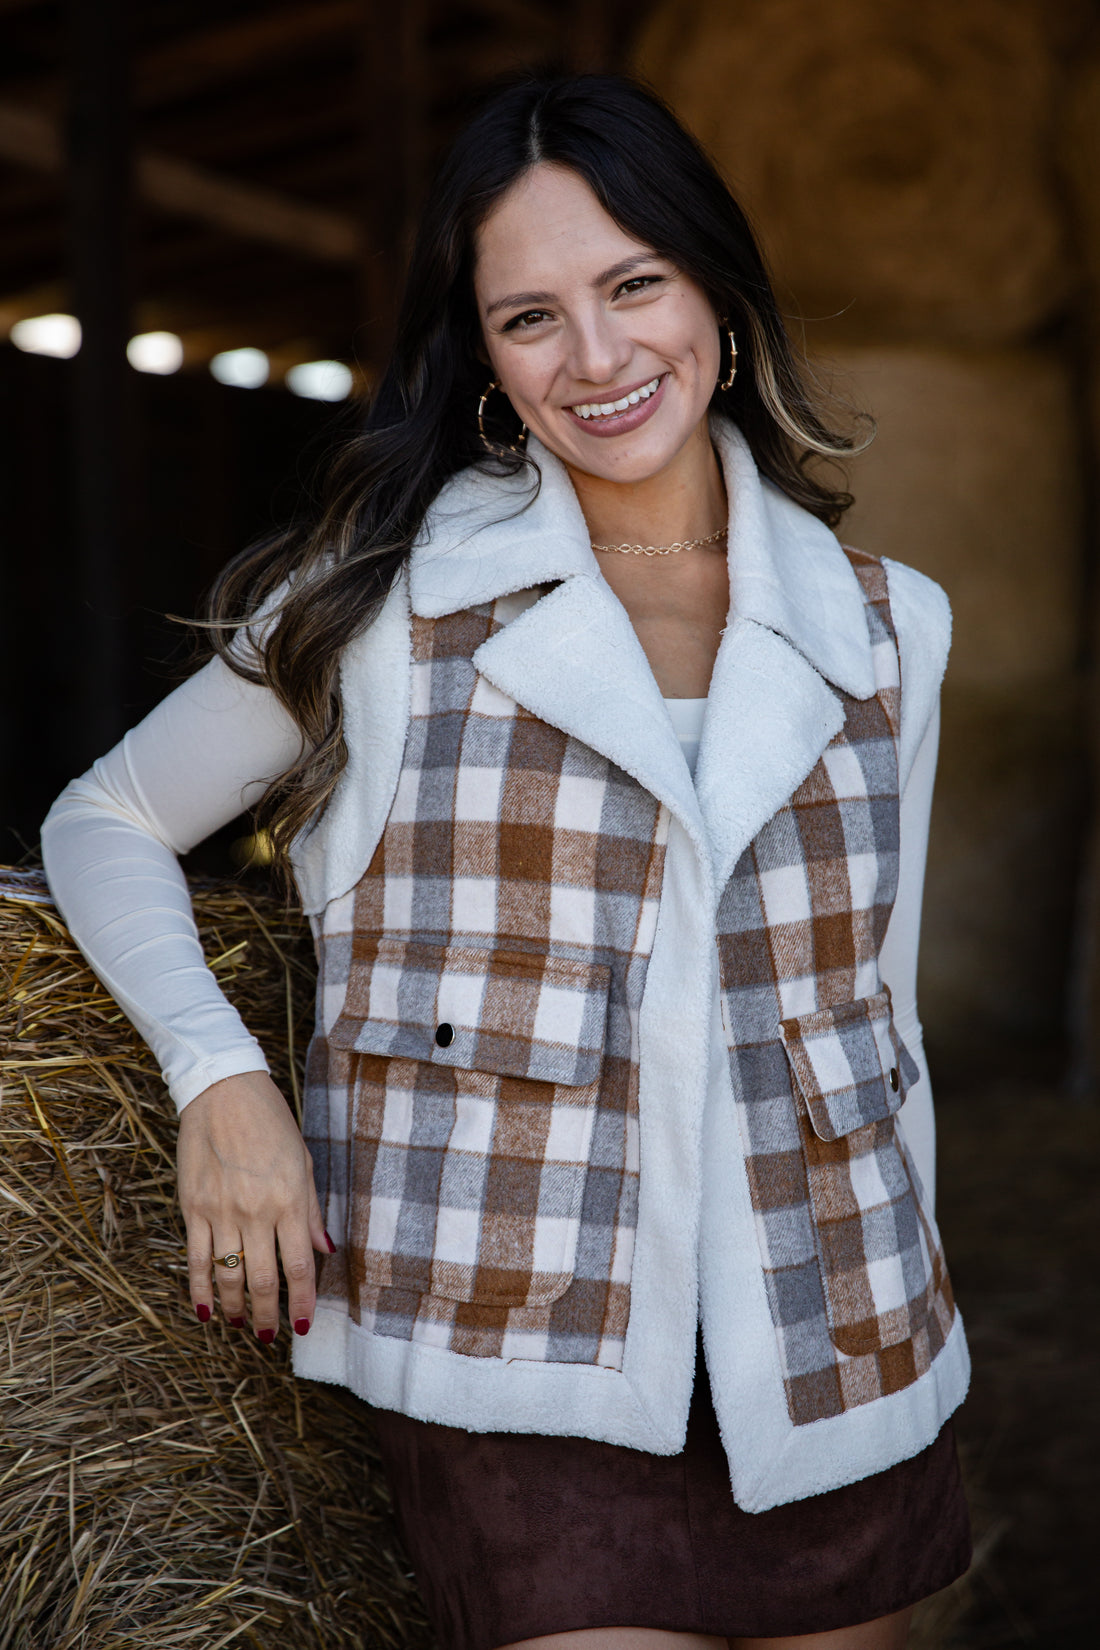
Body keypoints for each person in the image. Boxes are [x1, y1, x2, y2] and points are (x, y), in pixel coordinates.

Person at [42, 73, 971, 1650]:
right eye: (531, 316)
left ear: (717, 293)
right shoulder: (385, 605)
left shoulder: (891, 626)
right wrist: (222, 1082)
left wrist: (913, 1314)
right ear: (478, 353)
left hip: (833, 1342)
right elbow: (104, 820)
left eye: (635, 284)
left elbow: (881, 1005)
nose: (597, 356)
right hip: (518, 1351)